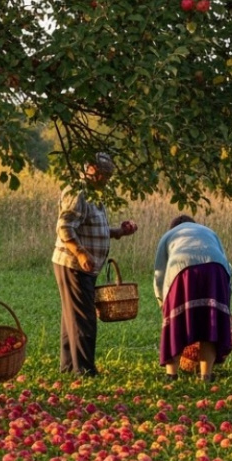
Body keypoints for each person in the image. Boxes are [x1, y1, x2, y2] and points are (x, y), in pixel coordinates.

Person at [52, 152, 138, 377]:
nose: (107, 180)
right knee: (84, 317)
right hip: (73, 263)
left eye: (109, 176)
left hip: (85, 265)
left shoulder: (93, 195)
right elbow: (64, 226)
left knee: (73, 315)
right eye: (104, 175)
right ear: (91, 170)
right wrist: (80, 253)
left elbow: (92, 227)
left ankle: (70, 366)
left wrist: (119, 232)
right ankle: (85, 370)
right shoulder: (77, 191)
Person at [152, 215, 232, 383]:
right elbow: (228, 267)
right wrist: (225, 301)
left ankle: (171, 375)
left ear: (173, 227)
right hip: (215, 270)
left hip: (183, 271)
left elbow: (159, 275)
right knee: (210, 326)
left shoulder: (168, 235)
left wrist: (163, 305)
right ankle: (206, 376)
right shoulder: (209, 232)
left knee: (175, 323)